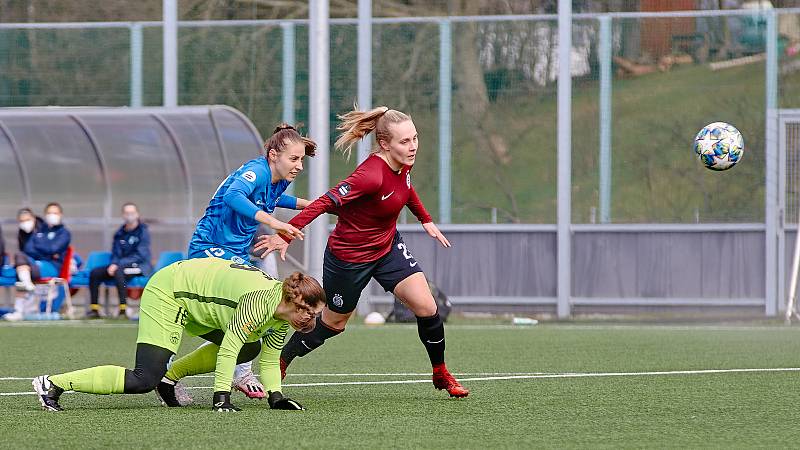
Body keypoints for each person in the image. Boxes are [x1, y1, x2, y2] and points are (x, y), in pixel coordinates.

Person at [256, 106, 469, 398]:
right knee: (334, 322)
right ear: (385, 144)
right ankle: (281, 360)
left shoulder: (403, 163)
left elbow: (406, 188)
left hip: (387, 248)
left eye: (415, 138)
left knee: (427, 307)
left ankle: (440, 373)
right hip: (349, 258)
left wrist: (426, 219)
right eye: (404, 141)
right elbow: (326, 201)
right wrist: (285, 233)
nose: (413, 146)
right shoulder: (369, 174)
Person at [32, 257, 325, 412]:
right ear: (293, 303)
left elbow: (270, 360)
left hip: (201, 305)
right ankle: (52, 384)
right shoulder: (260, 302)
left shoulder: (284, 317)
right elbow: (227, 351)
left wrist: (277, 397)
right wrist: (221, 397)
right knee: (142, 378)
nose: (311, 322)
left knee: (251, 348)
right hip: (170, 293)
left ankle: (168, 381)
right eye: (309, 314)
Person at [183, 123, 316, 400]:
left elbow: (279, 198)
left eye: (301, 159)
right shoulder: (254, 170)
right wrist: (275, 223)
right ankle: (174, 371)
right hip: (209, 248)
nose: (299, 166)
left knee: (251, 308)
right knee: (247, 301)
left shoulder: (279, 179)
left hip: (236, 253)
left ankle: (239, 370)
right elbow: (233, 196)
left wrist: (319, 205)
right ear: (273, 155)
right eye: (294, 159)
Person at [86, 202, 152, 319]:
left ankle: (123, 309)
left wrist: (118, 265)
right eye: (127, 213)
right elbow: (116, 253)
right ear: (122, 215)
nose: (129, 215)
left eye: (132, 212)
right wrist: (114, 264)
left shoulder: (143, 232)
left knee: (119, 272)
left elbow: (141, 255)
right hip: (120, 266)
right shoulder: (119, 233)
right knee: (95, 273)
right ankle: (94, 309)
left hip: (139, 267)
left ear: (137, 214)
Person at [14, 203, 70, 292]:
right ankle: (26, 283)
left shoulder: (63, 233)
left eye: (55, 213)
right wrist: (46, 249)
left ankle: (26, 283)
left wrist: (41, 247)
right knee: (19, 257)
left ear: (60, 214)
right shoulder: (39, 231)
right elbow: (28, 250)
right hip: (36, 263)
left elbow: (53, 249)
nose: (52, 216)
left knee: (21, 271)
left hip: (52, 267)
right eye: (49, 213)